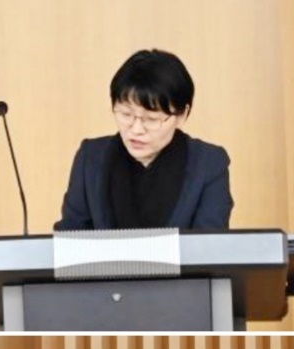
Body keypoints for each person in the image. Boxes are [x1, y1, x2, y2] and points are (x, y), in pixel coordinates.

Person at [54, 49, 233, 231]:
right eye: (126, 114)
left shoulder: (208, 164)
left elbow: (209, 244)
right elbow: (70, 236)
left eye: (151, 119)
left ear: (182, 115)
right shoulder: (91, 157)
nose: (136, 130)